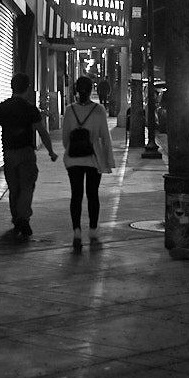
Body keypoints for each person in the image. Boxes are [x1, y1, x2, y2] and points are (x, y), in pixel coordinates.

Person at [0, 73, 58, 237]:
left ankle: (17, 218)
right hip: (26, 153)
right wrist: (51, 151)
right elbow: (42, 132)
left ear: (12, 87)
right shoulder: (31, 109)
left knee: (14, 188)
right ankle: (23, 218)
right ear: (27, 88)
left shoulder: (0, 109)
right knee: (26, 187)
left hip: (9, 154)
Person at [63, 75, 115, 251]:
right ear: (92, 89)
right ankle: (93, 229)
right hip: (94, 159)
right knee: (93, 194)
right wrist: (108, 160)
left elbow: (65, 139)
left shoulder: (70, 110)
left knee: (76, 195)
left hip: (73, 159)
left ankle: (77, 231)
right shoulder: (99, 110)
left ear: (76, 90)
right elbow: (105, 137)